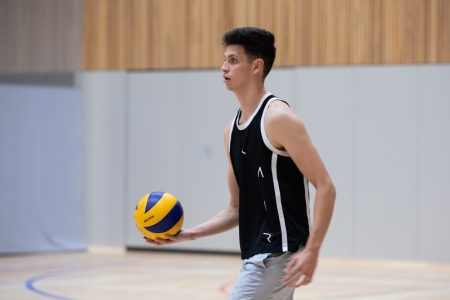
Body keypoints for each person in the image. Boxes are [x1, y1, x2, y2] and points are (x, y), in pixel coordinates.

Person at [144, 27, 336, 300]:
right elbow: (236, 208)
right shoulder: (230, 133)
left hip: (278, 254)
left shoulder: (278, 119)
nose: (224, 67)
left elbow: (326, 186)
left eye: (233, 60)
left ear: (256, 66)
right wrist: (189, 234)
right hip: (255, 255)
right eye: (225, 59)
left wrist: (312, 250)